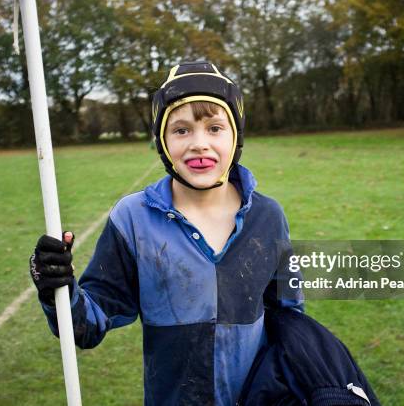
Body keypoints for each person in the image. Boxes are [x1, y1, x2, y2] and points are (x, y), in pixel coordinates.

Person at [29, 61, 304, 406]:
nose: (199, 144)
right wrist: (58, 286)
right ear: (162, 139)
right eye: (181, 130)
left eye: (215, 128)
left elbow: (291, 318)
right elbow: (87, 325)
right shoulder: (133, 218)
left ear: (236, 136)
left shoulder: (268, 216)